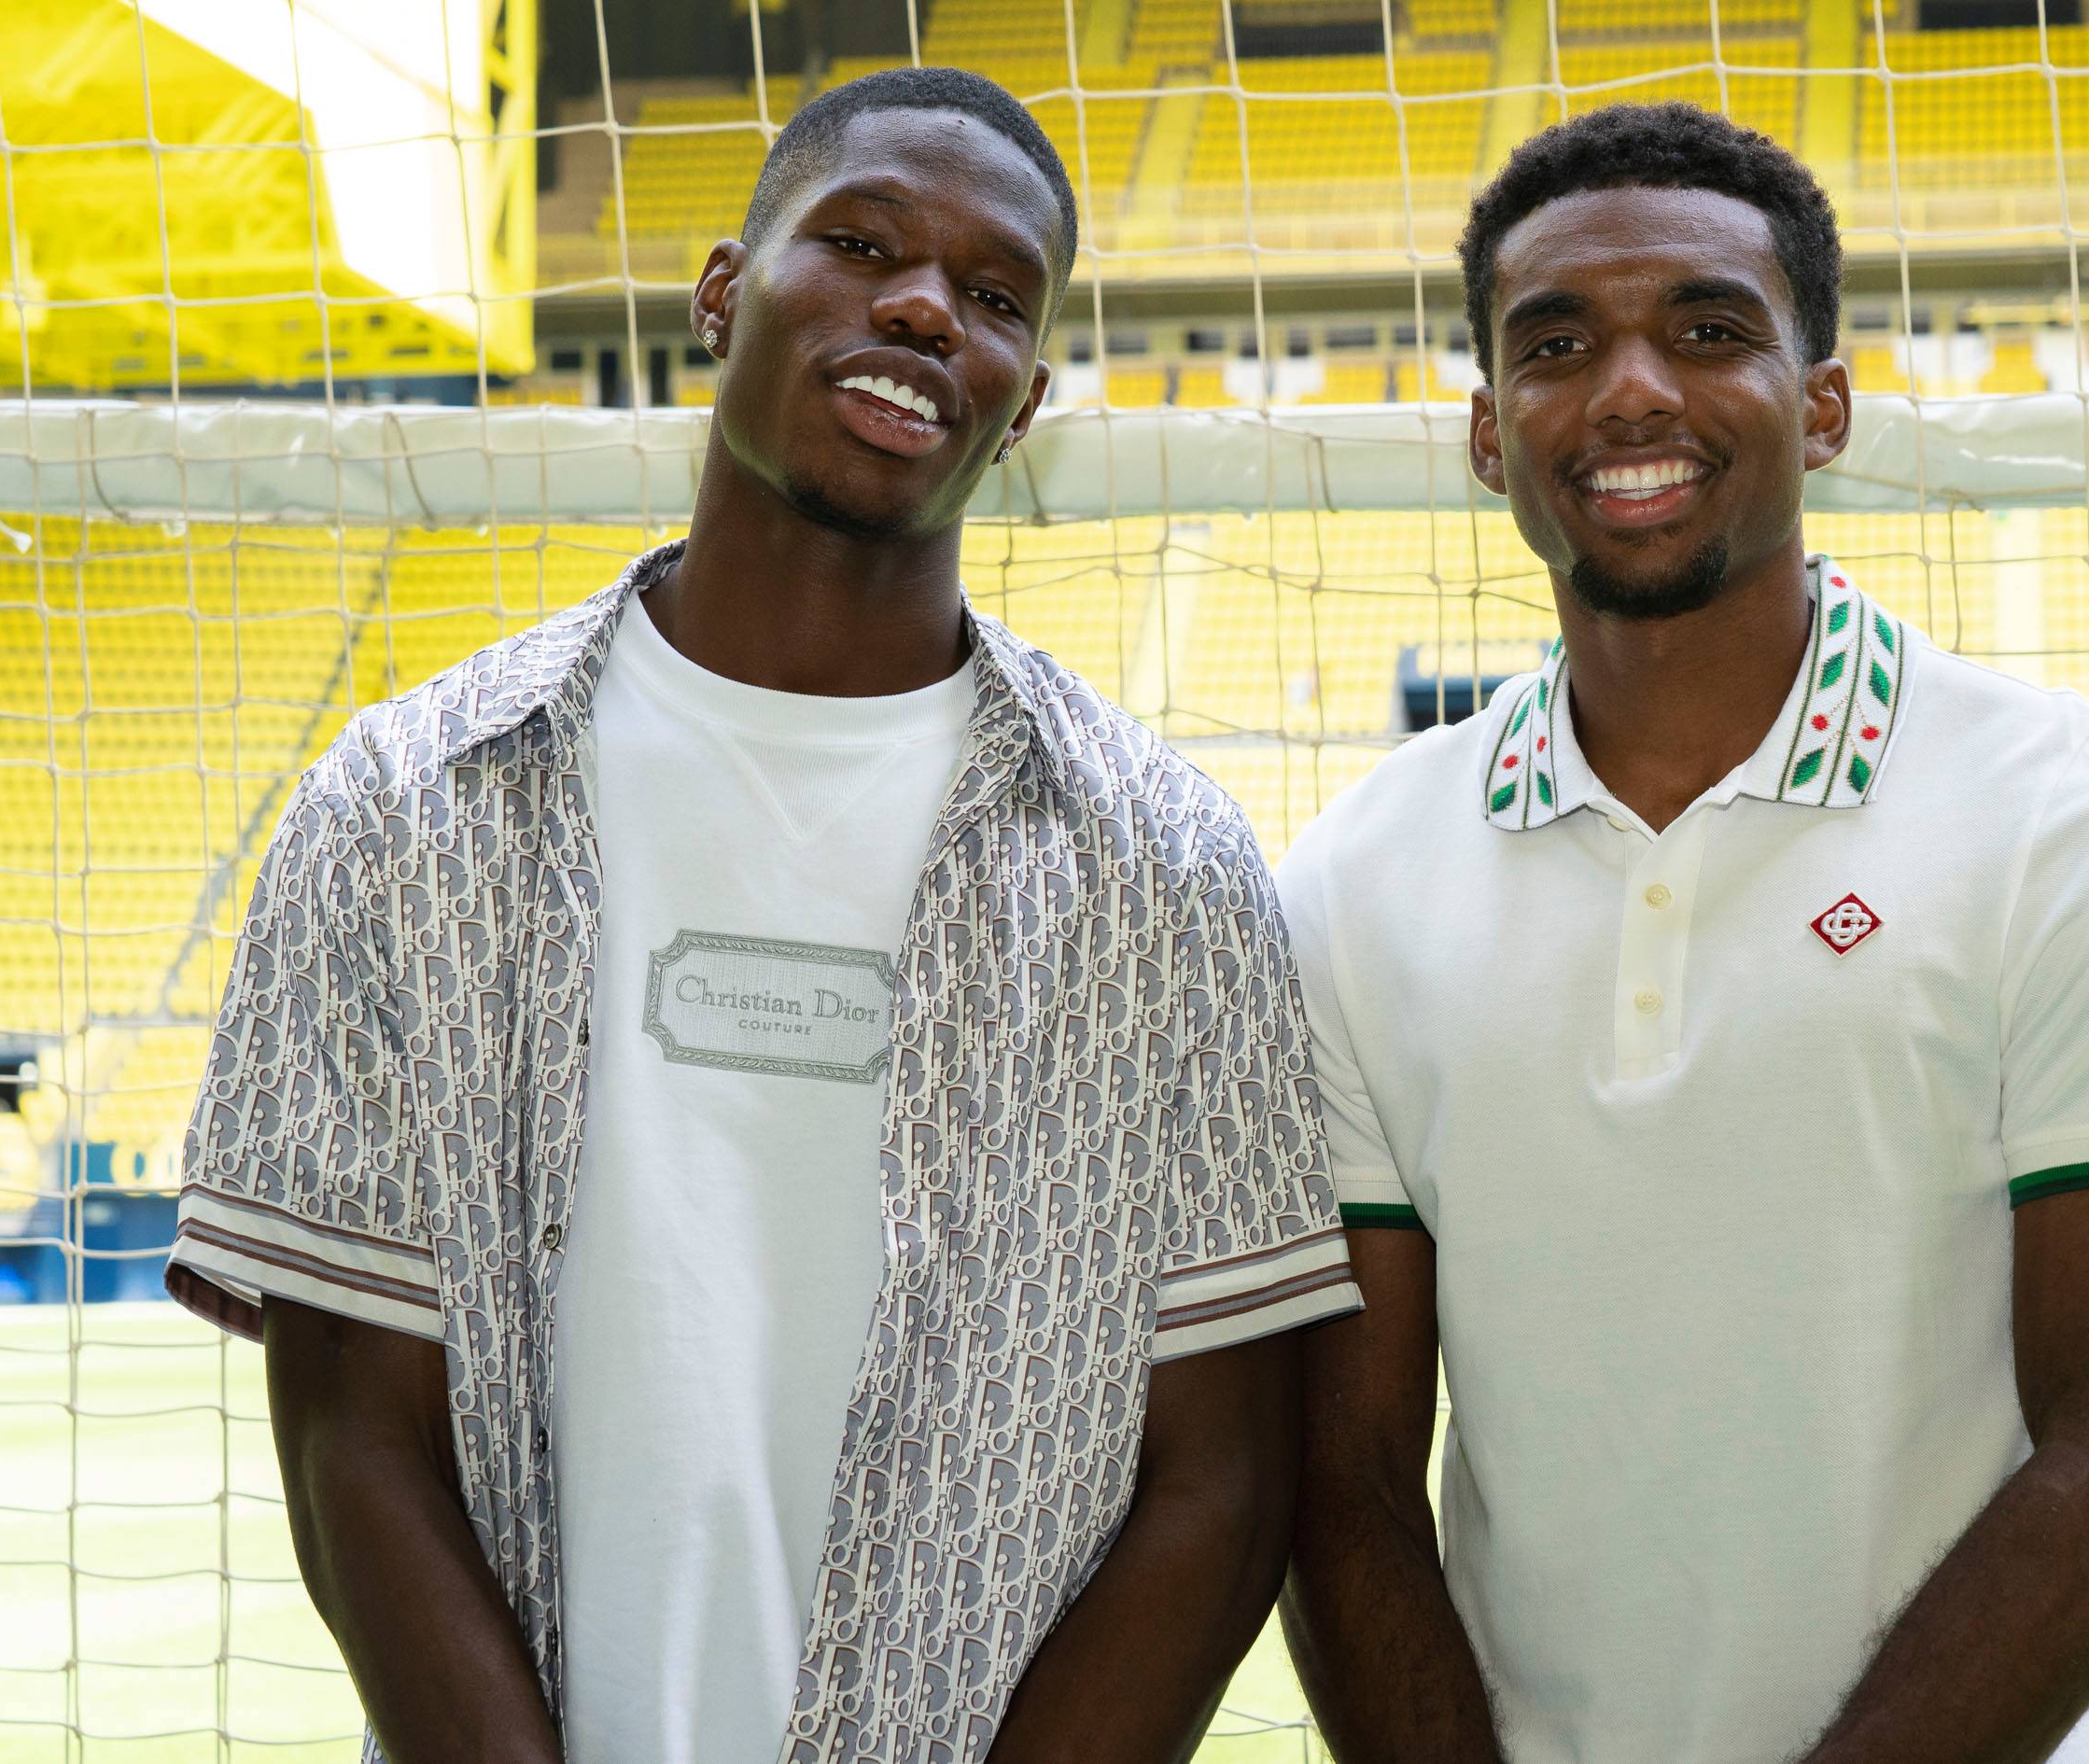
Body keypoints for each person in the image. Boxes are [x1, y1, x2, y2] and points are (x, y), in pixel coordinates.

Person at [166, 65, 1361, 1764]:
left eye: (996, 295)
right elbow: (354, 1444)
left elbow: (1221, 1488)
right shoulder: (404, 801)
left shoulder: (1168, 866)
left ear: (1025, 400)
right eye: (862, 244)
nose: (927, 306)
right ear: (722, 292)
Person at [1276, 103, 2089, 1764]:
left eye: (1708, 331)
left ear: (1824, 406)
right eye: (1557, 343)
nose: (1631, 389)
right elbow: (1340, 1473)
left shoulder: (2070, 822)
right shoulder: (1356, 875)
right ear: (1488, 432)